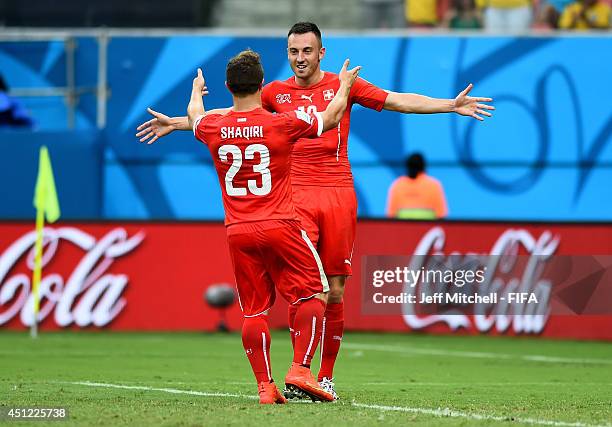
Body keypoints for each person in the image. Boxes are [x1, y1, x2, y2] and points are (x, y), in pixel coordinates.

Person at [136, 22, 494, 400]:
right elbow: (238, 115)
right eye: (293, 52)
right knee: (306, 288)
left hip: (338, 195)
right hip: (293, 199)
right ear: (286, 54)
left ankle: (323, 376)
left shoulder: (345, 86)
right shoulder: (274, 92)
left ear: (321, 53)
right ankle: (300, 369)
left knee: (336, 290)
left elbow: (395, 100)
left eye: (307, 51)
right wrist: (176, 124)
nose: (300, 58)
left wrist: (449, 105)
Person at [184, 49, 361, 404]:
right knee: (314, 292)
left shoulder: (213, 127)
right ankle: (299, 369)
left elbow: (194, 117)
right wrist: (343, 88)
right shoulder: (281, 123)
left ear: (227, 87)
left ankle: (266, 388)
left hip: (238, 230)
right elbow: (328, 118)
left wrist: (195, 91)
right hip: (281, 223)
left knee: (253, 310)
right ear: (262, 84)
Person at [386, 153, 448, 219]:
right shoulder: (434, 185)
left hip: (405, 228)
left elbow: (391, 216)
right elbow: (441, 215)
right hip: (427, 228)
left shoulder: (397, 185)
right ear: (423, 167)